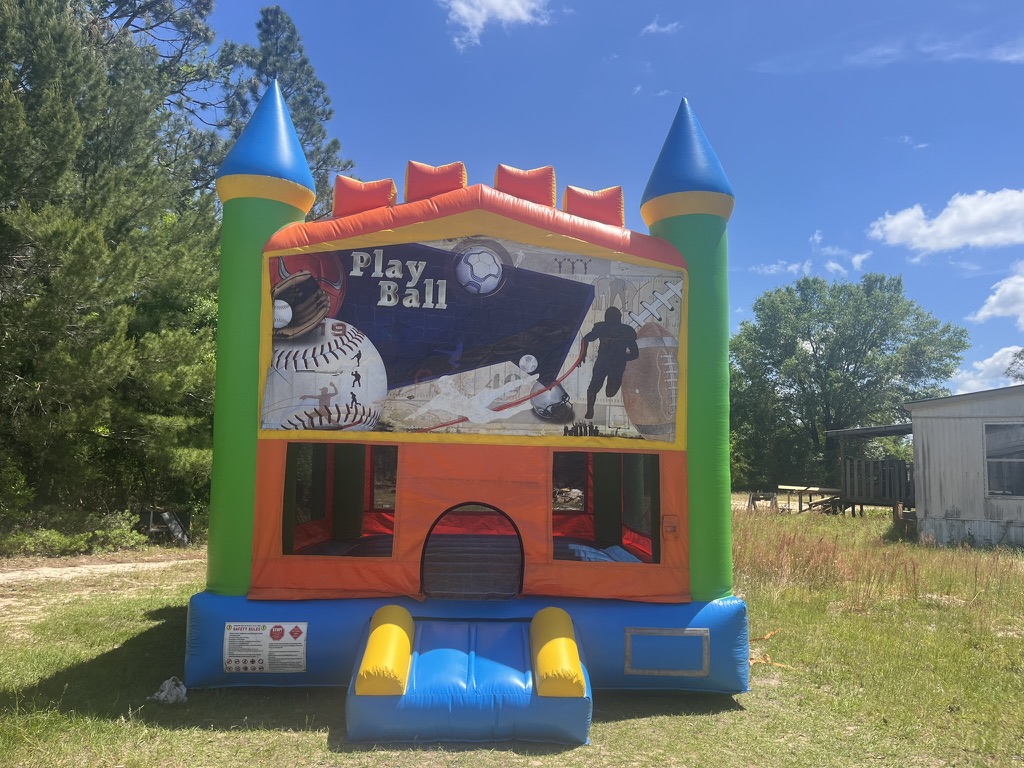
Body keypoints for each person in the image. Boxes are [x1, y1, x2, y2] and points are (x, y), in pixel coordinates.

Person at [578, 306, 638, 419]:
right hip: (604, 363)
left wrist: (621, 357)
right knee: (594, 387)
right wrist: (582, 355)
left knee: (609, 392)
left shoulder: (626, 331)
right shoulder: (602, 328)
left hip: (615, 365)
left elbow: (635, 354)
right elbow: (585, 339)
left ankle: (592, 407)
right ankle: (590, 410)